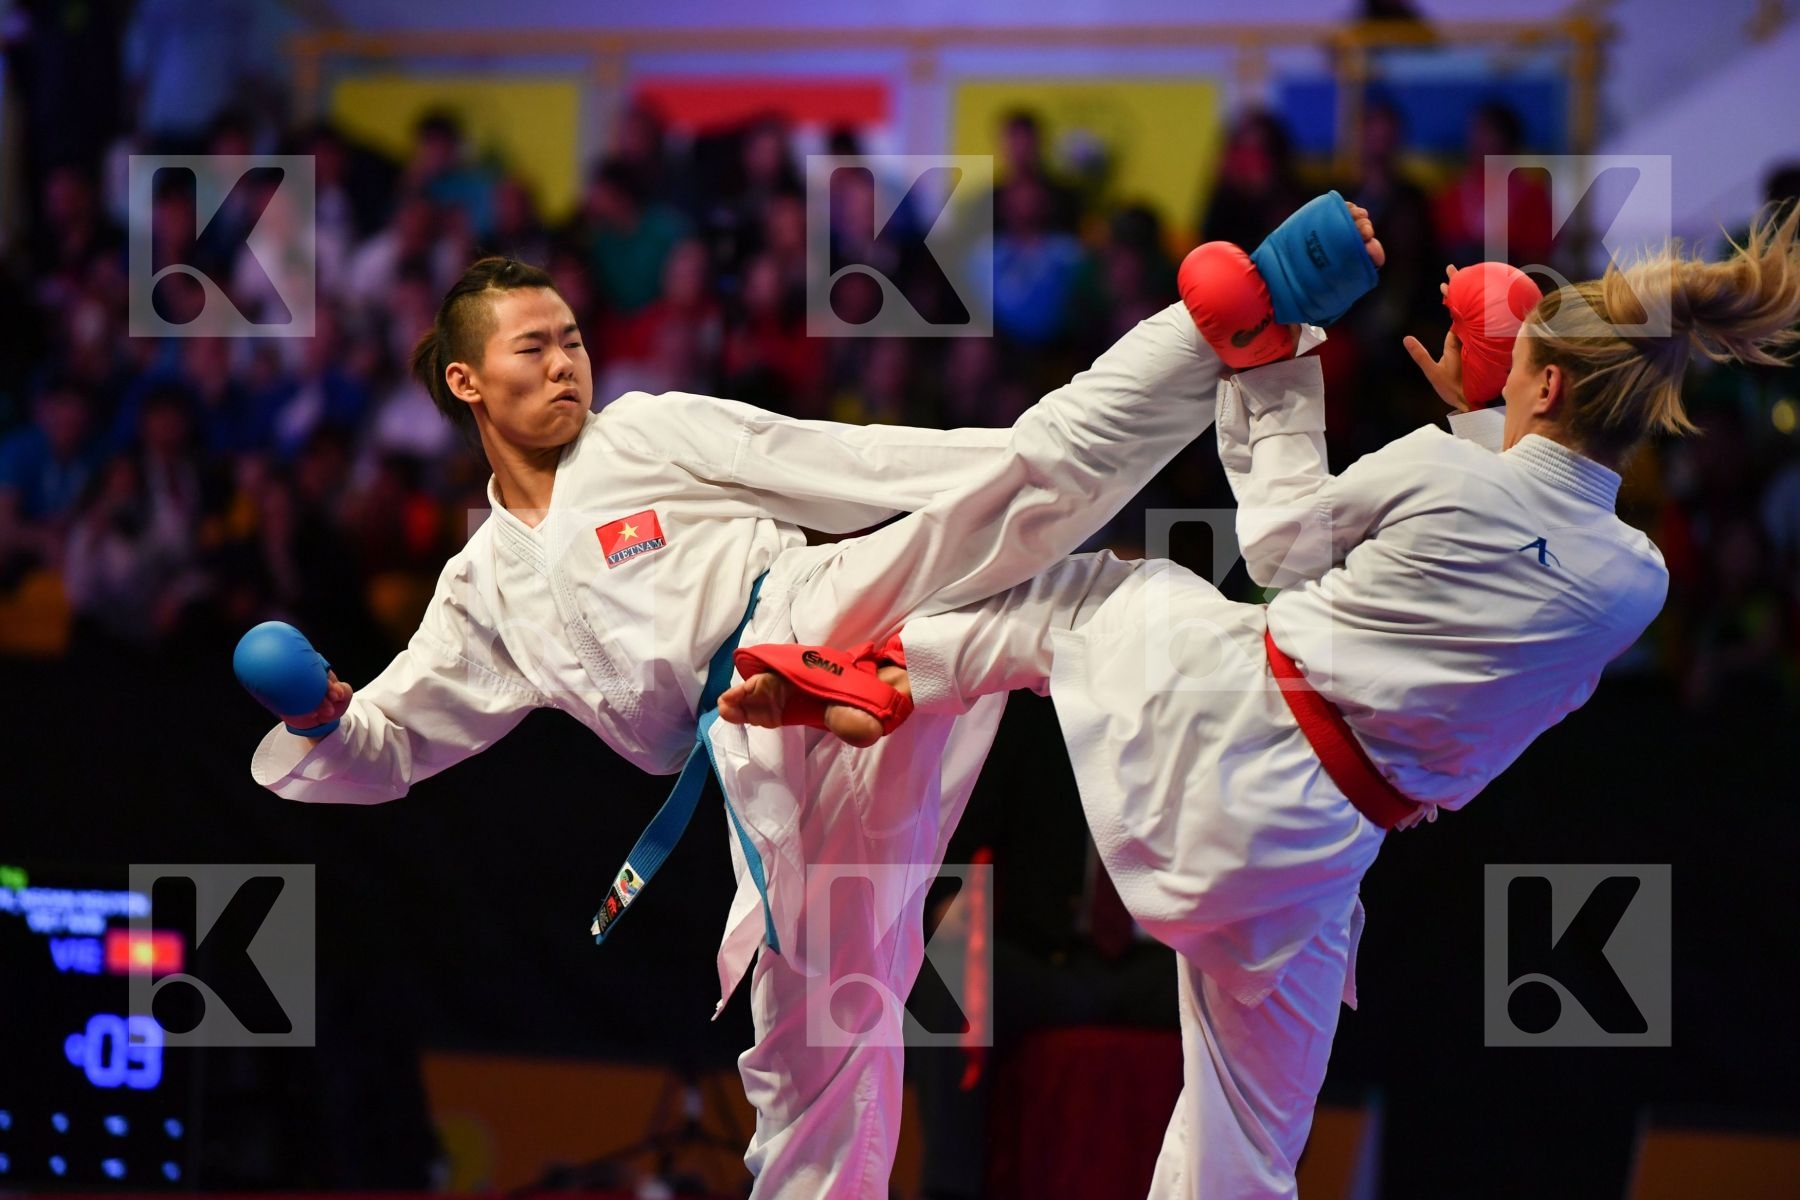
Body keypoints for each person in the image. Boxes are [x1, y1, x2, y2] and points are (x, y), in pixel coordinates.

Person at [241, 198, 1387, 1199]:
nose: (565, 365)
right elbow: (392, 743)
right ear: (465, 381)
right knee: (812, 1052)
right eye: (533, 349)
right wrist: (324, 720)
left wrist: (995, 477)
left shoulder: (641, 434)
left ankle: (1237, 314)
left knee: (1026, 507)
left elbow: (842, 464)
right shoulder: (478, 589)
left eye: (573, 340)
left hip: (814, 621)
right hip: (762, 762)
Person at [722, 206, 1800, 1197]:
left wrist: (1274, 360)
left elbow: (1281, 540)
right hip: (1321, 855)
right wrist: (1489, 417)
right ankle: (903, 672)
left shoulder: (1449, 466)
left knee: (1092, 592)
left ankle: (892, 666)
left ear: (1550, 389)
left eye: (1514, 370)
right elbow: (1519, 551)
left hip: (1231, 736)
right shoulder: (1639, 579)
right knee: (1245, 1140)